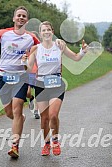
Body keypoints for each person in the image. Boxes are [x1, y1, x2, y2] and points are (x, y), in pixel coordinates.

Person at [0, 6, 65, 158]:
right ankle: (20, 120)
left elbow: (46, 41)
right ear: (14, 18)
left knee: (17, 108)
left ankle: (14, 146)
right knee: (9, 112)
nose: (21, 18)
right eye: (18, 15)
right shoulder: (2, 34)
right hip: (3, 77)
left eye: (24, 16)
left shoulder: (31, 37)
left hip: (21, 77)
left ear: (27, 20)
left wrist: (59, 42)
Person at [22, 21, 88, 156]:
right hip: (41, 85)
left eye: (48, 30)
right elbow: (29, 69)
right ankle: (46, 144)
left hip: (56, 84)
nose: (46, 32)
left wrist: (83, 52)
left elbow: (75, 58)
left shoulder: (59, 46)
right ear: (40, 33)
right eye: (43, 30)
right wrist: (23, 62)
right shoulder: (35, 49)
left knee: (53, 115)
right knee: (44, 118)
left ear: (52, 31)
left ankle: (55, 140)